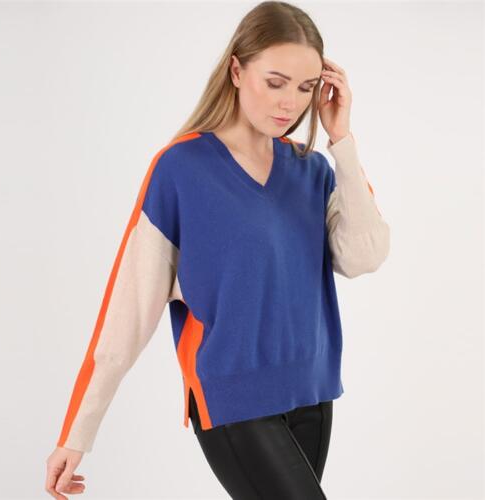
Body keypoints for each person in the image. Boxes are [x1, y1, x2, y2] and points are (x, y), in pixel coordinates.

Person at [45, 1, 390, 499]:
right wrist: (77, 435)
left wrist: (342, 141)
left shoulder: (313, 170)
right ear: (236, 70)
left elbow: (365, 256)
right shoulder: (181, 169)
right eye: (275, 82)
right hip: (233, 398)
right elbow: (127, 313)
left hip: (312, 391)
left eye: (305, 87)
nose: (290, 103)